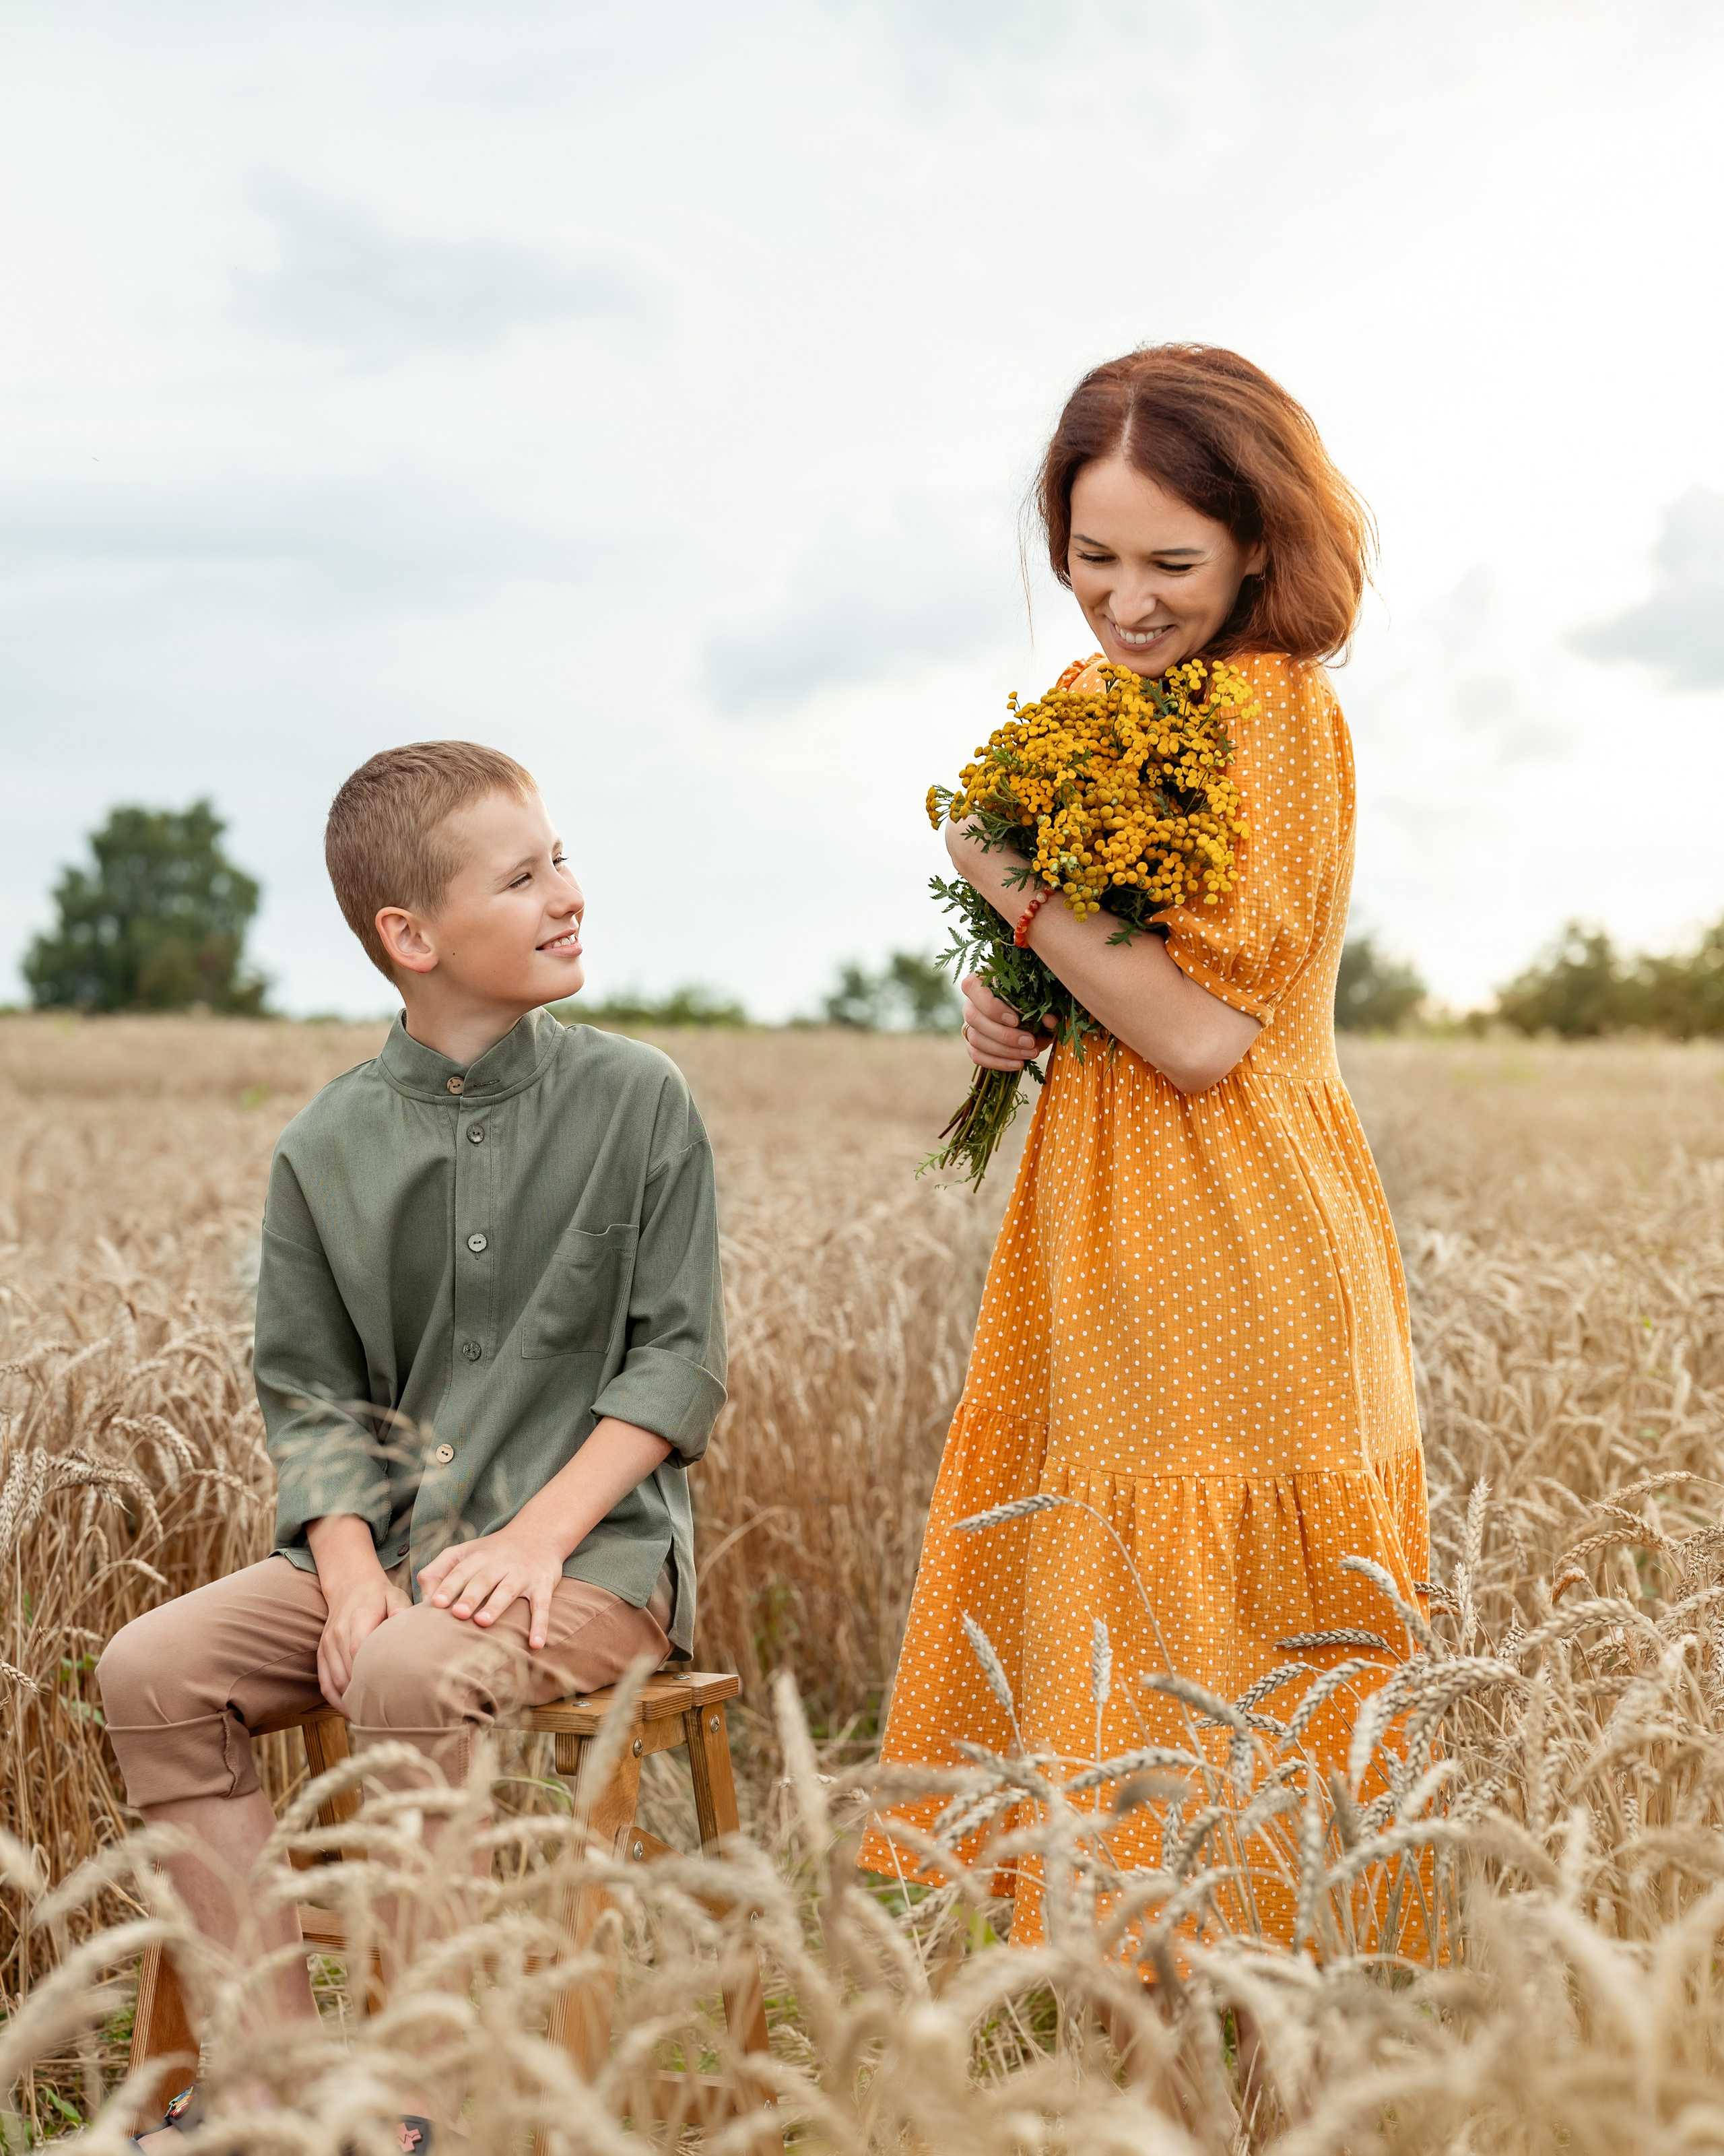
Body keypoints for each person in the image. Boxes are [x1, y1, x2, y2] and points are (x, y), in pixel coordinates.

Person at [859, 345, 1430, 1958]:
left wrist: (1002, 873)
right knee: (1117, 1598)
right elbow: (1109, 990)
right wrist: (1006, 999)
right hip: (1098, 1209)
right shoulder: (1089, 707)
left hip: (1234, 1214)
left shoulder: (1269, 712)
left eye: (1169, 561)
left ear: (1257, 545)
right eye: (1089, 555)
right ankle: (1141, 2025)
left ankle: (1243, 2028)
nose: (1122, 599)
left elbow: (1194, 1036)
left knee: (1213, 1621)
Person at [98, 742, 727, 2149]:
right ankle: (271, 2080)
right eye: (524, 876)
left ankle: (416, 2103)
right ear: (412, 935)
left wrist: (535, 1538)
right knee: (149, 1669)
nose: (568, 893)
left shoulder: (640, 1099)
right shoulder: (324, 1144)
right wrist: (344, 1569)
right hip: (386, 1554)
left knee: (405, 1670)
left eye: (561, 859)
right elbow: (310, 1393)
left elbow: (677, 1361)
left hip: (594, 1562)